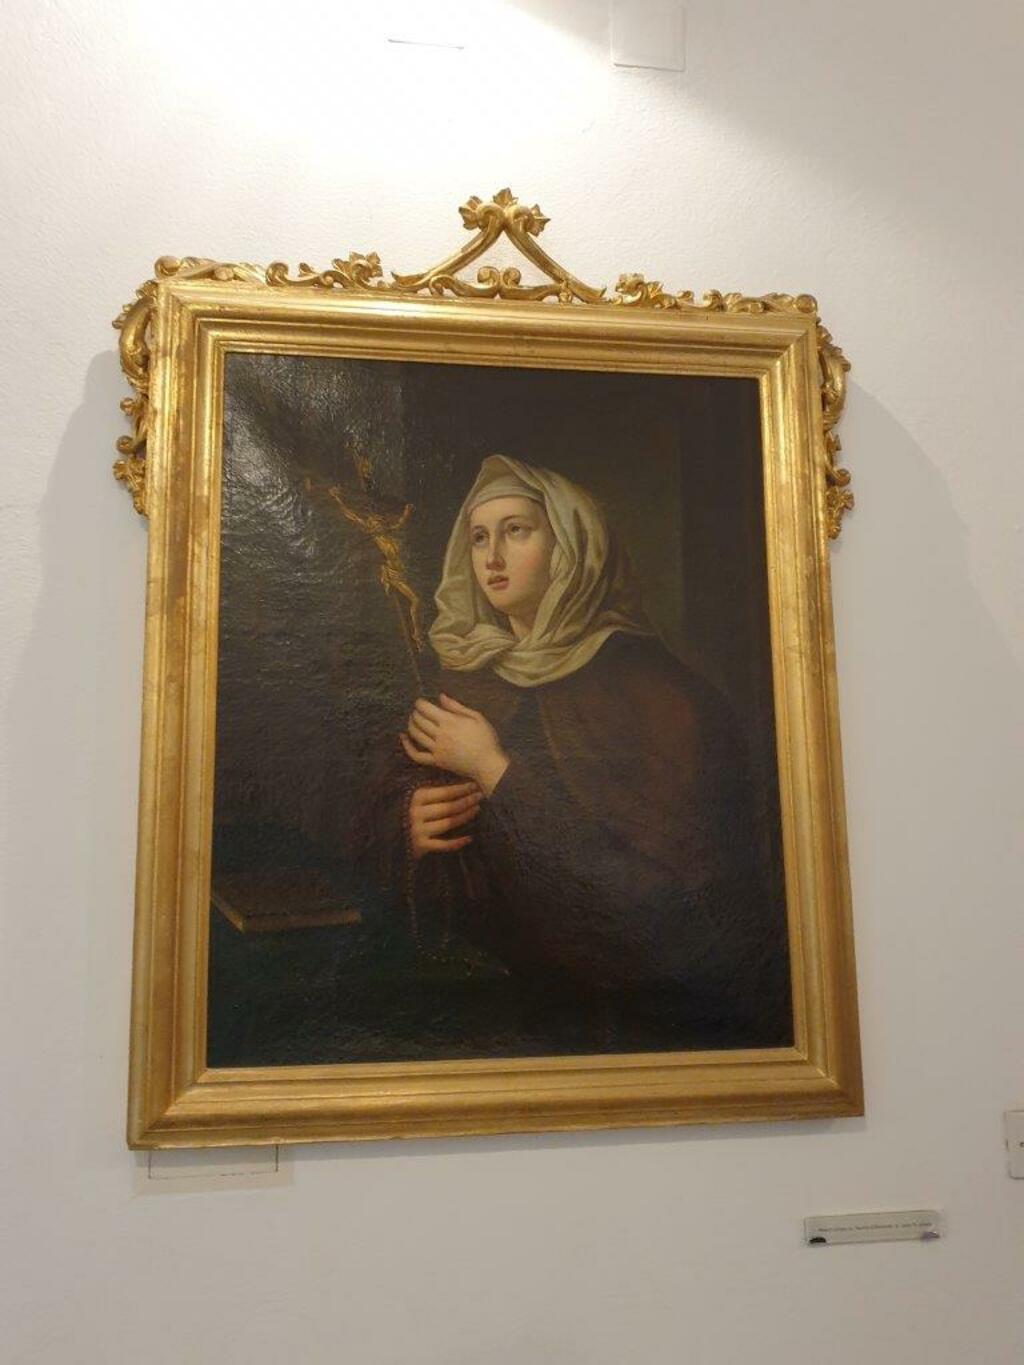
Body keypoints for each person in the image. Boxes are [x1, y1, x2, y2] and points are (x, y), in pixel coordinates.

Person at [360, 455, 790, 1049]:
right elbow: (385, 823)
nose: (491, 558)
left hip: (635, 1020)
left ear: (571, 545)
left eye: (516, 531)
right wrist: (408, 825)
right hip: (488, 1007)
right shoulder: (468, 682)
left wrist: (491, 768)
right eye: (479, 537)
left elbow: (665, 903)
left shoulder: (659, 696)